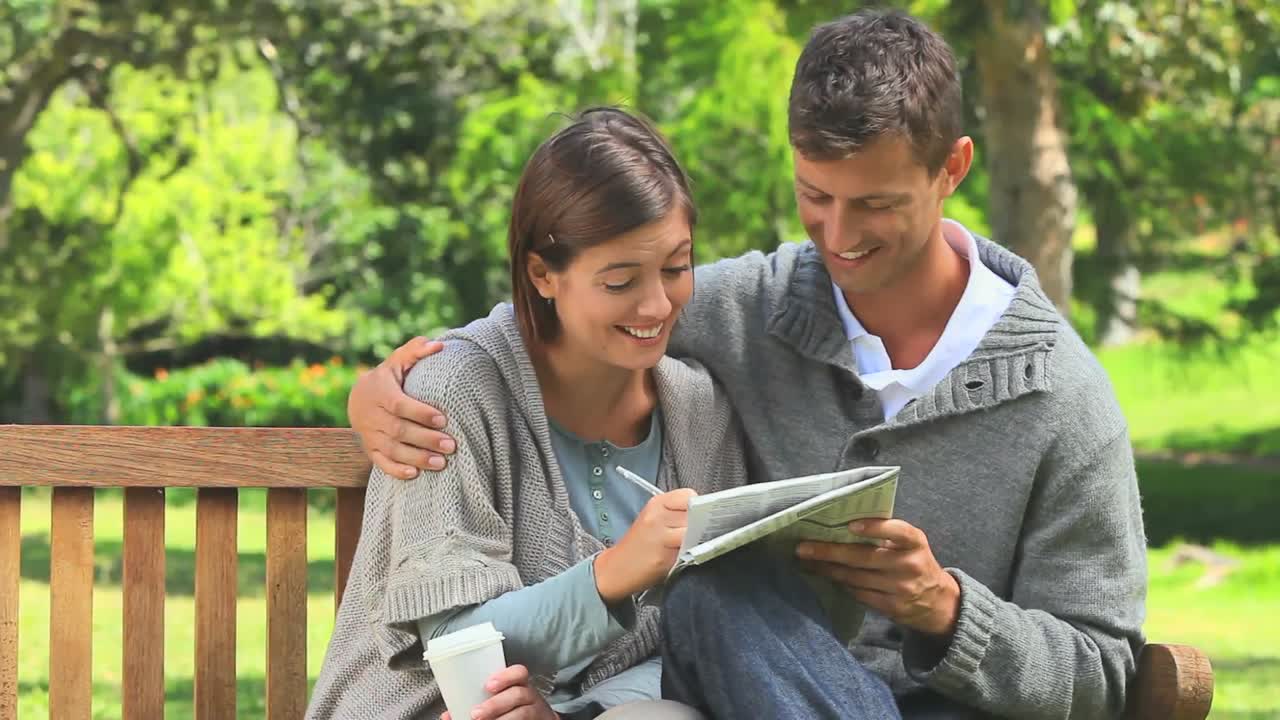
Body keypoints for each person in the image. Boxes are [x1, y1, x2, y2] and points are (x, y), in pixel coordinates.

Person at [346, 10, 1147, 720]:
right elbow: (574, 309)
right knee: (715, 594)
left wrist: (945, 608)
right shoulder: (750, 307)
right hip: (742, 690)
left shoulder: (1061, 397)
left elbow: (1108, 674)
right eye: (814, 195)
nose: (839, 235)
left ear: (954, 169)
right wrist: (388, 385)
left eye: (875, 204)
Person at [307, 108, 757, 720]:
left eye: (676, 268)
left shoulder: (700, 414)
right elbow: (455, 644)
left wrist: (580, 713)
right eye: (621, 281)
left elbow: (708, 645)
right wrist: (612, 574)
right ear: (543, 274)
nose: (657, 303)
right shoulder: (454, 391)